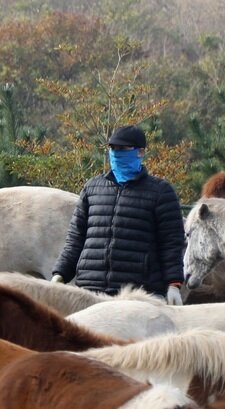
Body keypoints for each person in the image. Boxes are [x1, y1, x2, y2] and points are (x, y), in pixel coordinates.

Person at [50, 124, 185, 304]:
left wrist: (174, 283)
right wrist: (60, 274)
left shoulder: (161, 192)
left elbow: (171, 243)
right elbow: (76, 238)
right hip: (91, 290)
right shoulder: (92, 188)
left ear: (141, 152)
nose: (116, 153)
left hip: (138, 294)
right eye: (113, 148)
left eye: (123, 149)